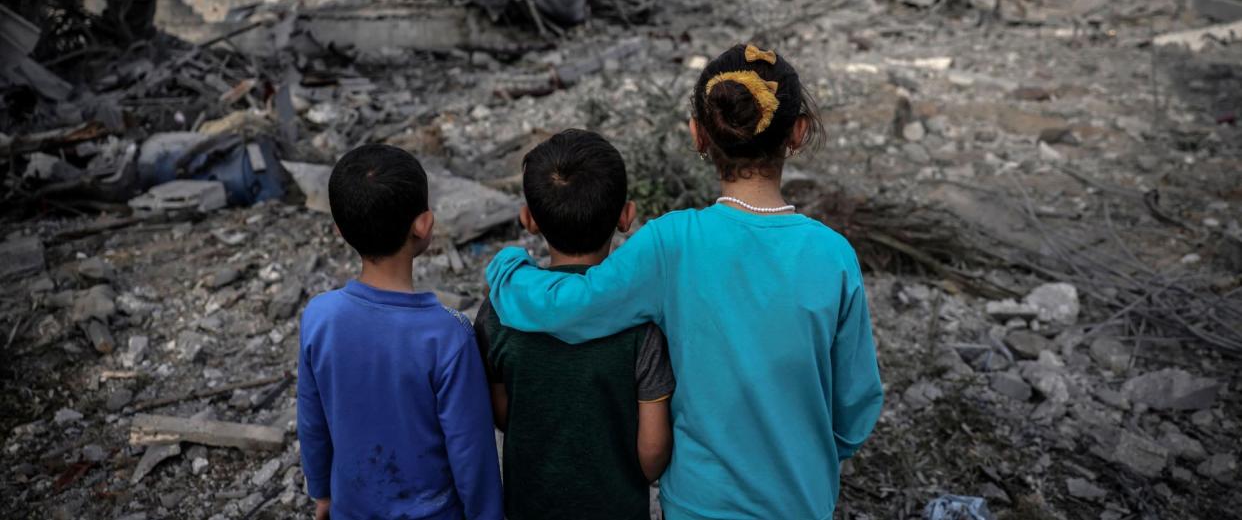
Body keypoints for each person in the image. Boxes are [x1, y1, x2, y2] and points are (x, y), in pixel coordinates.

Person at [486, 44, 884, 520]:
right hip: (801, 500)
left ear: (698, 135)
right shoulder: (834, 255)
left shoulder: (671, 243)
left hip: (700, 504)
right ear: (797, 132)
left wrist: (506, 272)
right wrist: (810, 456)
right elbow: (856, 404)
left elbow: (575, 304)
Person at [475, 129, 675, 520]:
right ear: (626, 217)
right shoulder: (642, 322)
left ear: (528, 220)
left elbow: (502, 414)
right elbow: (652, 456)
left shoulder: (499, 310)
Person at [298, 144, 502, 520]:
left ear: (340, 231)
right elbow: (471, 452)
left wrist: (323, 493)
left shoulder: (319, 317)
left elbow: (312, 421)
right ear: (424, 224)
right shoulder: (448, 335)